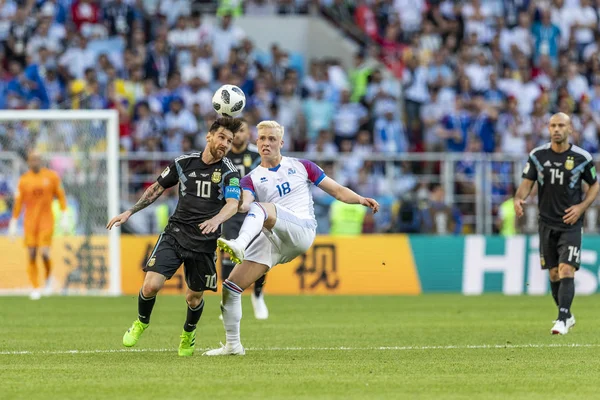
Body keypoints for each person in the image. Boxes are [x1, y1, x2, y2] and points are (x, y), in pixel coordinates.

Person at [203, 120, 379, 356]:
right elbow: (246, 202)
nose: (266, 143)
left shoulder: (302, 166)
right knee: (231, 287)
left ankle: (239, 244)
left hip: (302, 230)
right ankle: (233, 346)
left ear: (281, 143)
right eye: (262, 138)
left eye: (272, 139)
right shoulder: (250, 178)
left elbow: (337, 190)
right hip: (274, 237)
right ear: (257, 141)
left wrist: (360, 199)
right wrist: (239, 205)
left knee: (263, 208)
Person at [106, 117, 243, 356]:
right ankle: (141, 322)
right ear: (209, 137)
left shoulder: (229, 172)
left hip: (204, 243)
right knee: (150, 286)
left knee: (193, 298)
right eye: (221, 138)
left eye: (230, 141)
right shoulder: (184, 163)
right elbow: (156, 188)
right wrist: (129, 211)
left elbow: (233, 204)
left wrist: (216, 220)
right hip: (176, 234)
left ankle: (188, 333)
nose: (225, 144)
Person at [514, 112, 599, 335]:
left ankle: (561, 319)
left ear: (570, 129)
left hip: (570, 223)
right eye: (553, 125)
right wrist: (518, 199)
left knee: (566, 268)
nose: (556, 129)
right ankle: (567, 315)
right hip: (546, 222)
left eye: (561, 125)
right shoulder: (537, 155)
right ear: (548, 129)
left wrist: (581, 208)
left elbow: (595, 185)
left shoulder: (582, 158)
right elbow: (526, 183)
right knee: (553, 274)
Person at [221, 119, 268, 319]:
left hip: (254, 212)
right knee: (229, 255)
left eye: (241, 131)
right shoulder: (223, 156)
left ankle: (257, 296)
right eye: (235, 132)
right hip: (231, 213)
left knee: (260, 256)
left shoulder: (257, 156)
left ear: (248, 133)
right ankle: (228, 301)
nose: (238, 135)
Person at [9, 151, 69, 300]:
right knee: (31, 254)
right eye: (32, 160)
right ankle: (35, 286)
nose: (35, 162)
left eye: (37, 159)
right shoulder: (24, 180)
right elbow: (18, 203)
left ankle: (48, 280)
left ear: (41, 161)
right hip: (29, 222)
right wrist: (14, 221)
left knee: (44, 253)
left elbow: (61, 196)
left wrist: (64, 215)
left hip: (46, 221)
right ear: (28, 162)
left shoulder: (51, 177)